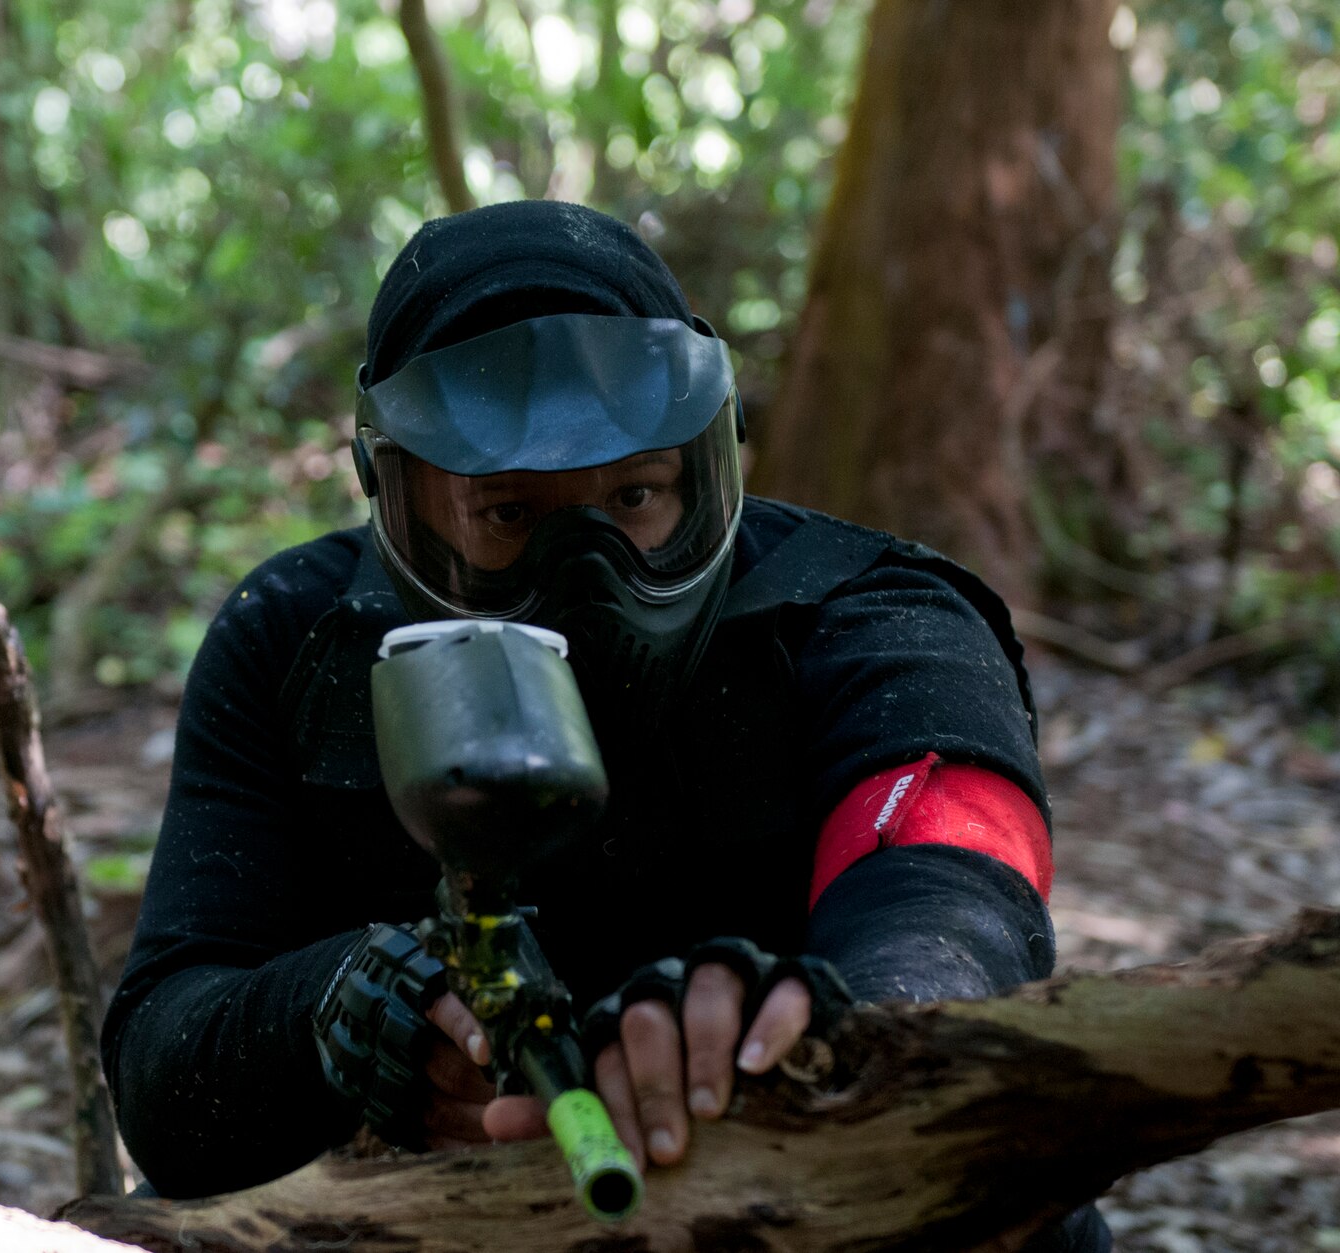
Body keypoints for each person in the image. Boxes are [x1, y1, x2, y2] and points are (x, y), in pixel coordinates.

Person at [100, 200, 1109, 1251]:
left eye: (632, 497)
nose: (580, 572)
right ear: (402, 500)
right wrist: (340, 1012)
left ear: (702, 463)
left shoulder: (874, 618)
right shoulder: (296, 642)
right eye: (507, 515)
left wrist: (816, 1026)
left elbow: (956, 906)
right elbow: (167, 1072)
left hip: (797, 1189)